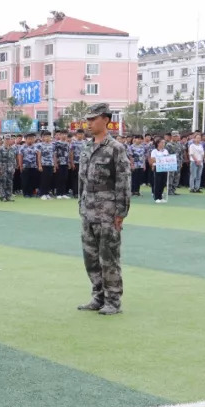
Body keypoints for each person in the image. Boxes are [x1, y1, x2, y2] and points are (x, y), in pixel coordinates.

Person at [76, 103, 130, 316]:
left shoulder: (115, 148)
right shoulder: (86, 147)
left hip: (107, 214)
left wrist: (120, 213)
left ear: (105, 120)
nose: (89, 123)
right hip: (88, 212)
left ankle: (113, 300)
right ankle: (98, 296)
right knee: (90, 257)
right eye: (87, 120)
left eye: (93, 119)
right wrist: (81, 205)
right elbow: (81, 181)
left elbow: (123, 182)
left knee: (109, 258)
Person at [149, 138, 170, 203]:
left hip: (164, 168)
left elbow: (168, 158)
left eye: (164, 143)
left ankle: (160, 196)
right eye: (162, 142)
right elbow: (152, 159)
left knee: (163, 183)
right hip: (157, 167)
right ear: (158, 143)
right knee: (157, 182)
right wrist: (161, 160)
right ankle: (156, 197)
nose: (163, 144)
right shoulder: (154, 151)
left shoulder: (165, 151)